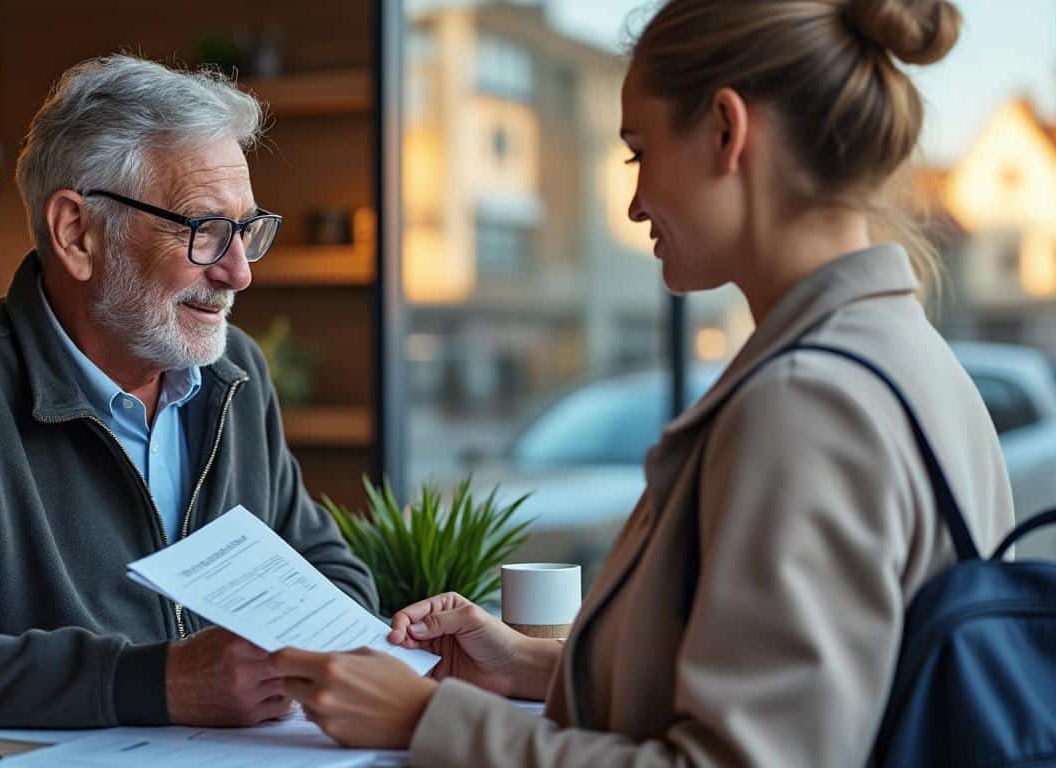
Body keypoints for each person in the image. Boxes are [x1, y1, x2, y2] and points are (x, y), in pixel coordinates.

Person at [271, 0, 1016, 764]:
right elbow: (806, 691)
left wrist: (427, 721)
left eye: (638, 152)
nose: (632, 201)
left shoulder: (808, 401)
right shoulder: (909, 359)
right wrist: (526, 664)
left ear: (727, 132)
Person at [0, 55, 376, 733]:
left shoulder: (235, 376)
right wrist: (153, 682)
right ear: (77, 234)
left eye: (246, 231)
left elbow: (332, 576)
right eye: (205, 231)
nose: (238, 272)